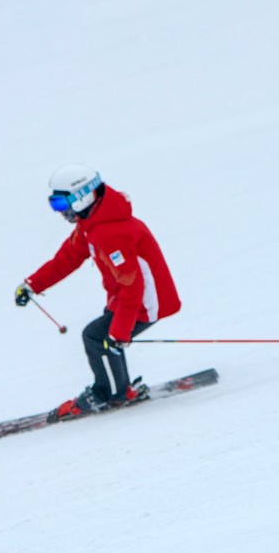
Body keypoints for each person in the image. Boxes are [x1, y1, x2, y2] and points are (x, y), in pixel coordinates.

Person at [14, 165, 181, 421]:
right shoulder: (92, 224)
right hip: (125, 298)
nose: (60, 212)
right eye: (54, 204)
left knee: (96, 337)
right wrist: (33, 284)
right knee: (106, 339)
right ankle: (121, 388)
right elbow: (67, 259)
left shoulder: (110, 232)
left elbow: (133, 286)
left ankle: (111, 393)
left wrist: (120, 332)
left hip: (146, 303)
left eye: (61, 203)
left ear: (83, 196)